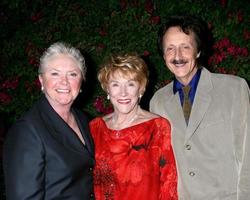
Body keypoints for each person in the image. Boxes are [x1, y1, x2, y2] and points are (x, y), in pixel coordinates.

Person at [150, 14, 250, 199]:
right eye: (170, 49)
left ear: (198, 51)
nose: (177, 56)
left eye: (185, 47)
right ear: (164, 55)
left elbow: (247, 154)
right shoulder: (158, 101)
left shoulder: (234, 89)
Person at [3, 42, 95, 199]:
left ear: (81, 81)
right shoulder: (26, 131)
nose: (64, 82)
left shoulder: (83, 119)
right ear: (41, 80)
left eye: (73, 74)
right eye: (54, 73)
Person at [89, 53, 178, 200]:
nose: (123, 93)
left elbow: (169, 183)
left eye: (130, 84)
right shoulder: (95, 128)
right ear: (107, 89)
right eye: (115, 84)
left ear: (141, 89)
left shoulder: (157, 128)